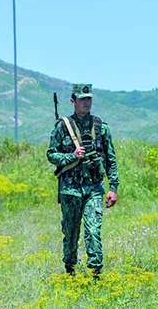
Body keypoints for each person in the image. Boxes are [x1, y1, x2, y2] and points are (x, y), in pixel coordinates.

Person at [46, 83, 119, 279]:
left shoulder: (101, 127)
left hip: (94, 188)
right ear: (73, 101)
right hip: (70, 189)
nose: (87, 102)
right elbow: (51, 154)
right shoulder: (63, 126)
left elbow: (110, 159)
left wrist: (113, 188)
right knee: (71, 232)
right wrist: (72, 156)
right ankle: (70, 271)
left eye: (89, 99)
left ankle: (95, 274)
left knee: (93, 230)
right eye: (82, 99)